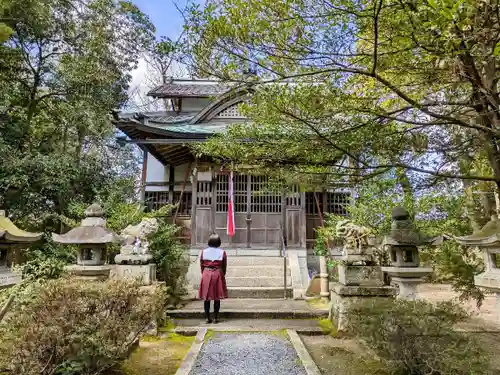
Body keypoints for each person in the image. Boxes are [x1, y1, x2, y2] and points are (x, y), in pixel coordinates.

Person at [198, 233, 228, 323]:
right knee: (217, 297)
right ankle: (215, 318)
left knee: (206, 297)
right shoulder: (222, 252)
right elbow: (224, 266)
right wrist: (222, 274)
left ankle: (207, 318)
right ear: (219, 242)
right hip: (217, 273)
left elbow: (201, 265)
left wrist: (204, 273)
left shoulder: (204, 252)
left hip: (206, 273)